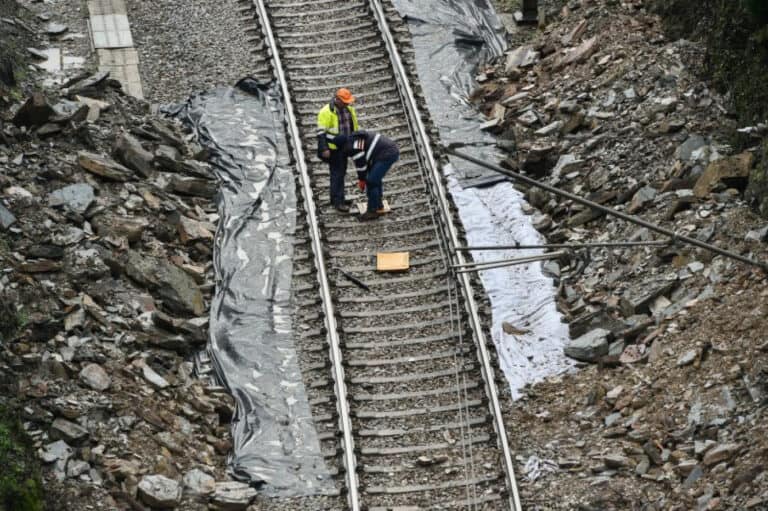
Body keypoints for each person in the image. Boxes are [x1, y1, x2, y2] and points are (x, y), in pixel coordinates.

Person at [331, 131, 399, 221]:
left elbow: (361, 166)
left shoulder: (352, 147)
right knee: (374, 178)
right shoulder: (352, 138)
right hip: (384, 151)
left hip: (387, 154)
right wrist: (363, 178)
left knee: (371, 181)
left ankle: (372, 211)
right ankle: (378, 204)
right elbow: (364, 163)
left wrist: (362, 180)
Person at [316, 88, 359, 212]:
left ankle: (336, 197)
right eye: (345, 101)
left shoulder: (349, 110)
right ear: (337, 99)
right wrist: (324, 148)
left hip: (345, 146)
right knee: (337, 174)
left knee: (341, 172)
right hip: (333, 149)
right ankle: (338, 201)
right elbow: (321, 132)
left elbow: (353, 127)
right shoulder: (326, 112)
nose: (347, 103)